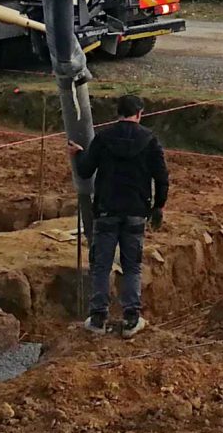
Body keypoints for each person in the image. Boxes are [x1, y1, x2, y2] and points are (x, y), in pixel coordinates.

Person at [72, 92, 168, 336]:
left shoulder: (103, 138)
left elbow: (85, 171)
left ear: (118, 113)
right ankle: (131, 319)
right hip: (136, 211)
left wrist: (77, 154)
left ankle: (98, 319)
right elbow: (162, 177)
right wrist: (158, 206)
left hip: (106, 210)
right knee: (132, 266)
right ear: (139, 113)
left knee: (101, 265)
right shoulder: (150, 140)